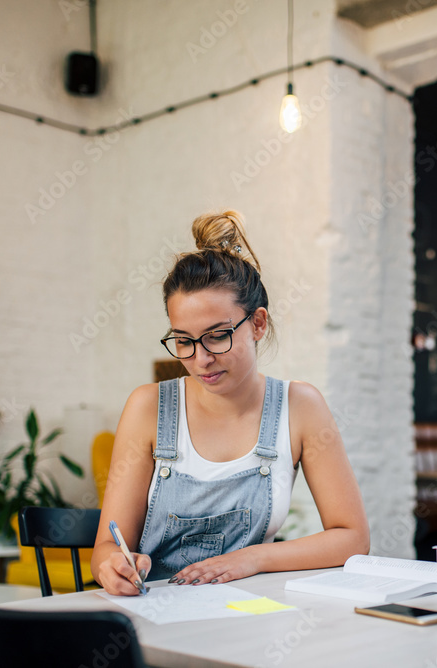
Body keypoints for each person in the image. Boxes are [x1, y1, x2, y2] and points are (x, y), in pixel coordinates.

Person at [92, 210, 369, 595]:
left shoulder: (299, 406)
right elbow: (106, 546)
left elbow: (352, 537)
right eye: (184, 341)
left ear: (257, 324)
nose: (200, 359)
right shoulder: (148, 408)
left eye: (217, 336)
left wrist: (250, 558)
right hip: (155, 607)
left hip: (247, 608)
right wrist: (112, 565)